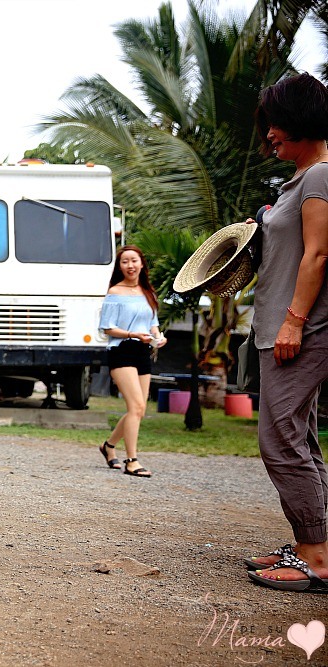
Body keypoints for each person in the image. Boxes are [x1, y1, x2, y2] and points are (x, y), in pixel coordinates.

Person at [244, 73, 328, 594]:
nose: (270, 134)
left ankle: (315, 558)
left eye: (277, 124)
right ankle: (315, 545)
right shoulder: (300, 182)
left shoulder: (320, 178)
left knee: (279, 440)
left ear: (302, 122)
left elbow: (320, 253)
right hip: (282, 328)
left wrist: (294, 321)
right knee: (302, 438)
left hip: (300, 330)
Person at [97, 245, 166, 478]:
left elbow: (152, 323)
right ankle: (132, 461)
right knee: (135, 407)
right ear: (120, 267)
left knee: (139, 409)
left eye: (134, 260)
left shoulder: (148, 292)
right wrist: (133, 334)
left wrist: (159, 337)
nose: (130, 265)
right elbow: (107, 328)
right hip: (122, 351)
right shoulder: (114, 292)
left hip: (142, 351)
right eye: (125, 261)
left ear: (141, 264)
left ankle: (108, 446)